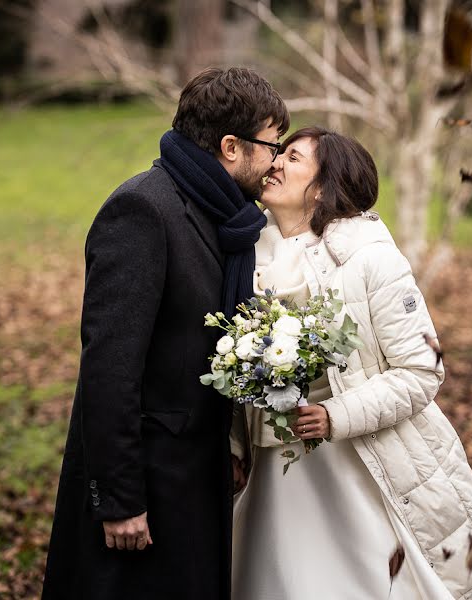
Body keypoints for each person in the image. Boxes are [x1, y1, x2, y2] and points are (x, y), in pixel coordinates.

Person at [230, 127, 472, 600]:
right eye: (278, 154)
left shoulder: (371, 259)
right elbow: (236, 368)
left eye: (293, 158)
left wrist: (334, 416)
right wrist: (235, 444)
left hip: (361, 464)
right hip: (273, 469)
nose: (275, 163)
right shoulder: (244, 256)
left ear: (323, 187)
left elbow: (422, 370)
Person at [42, 67, 289, 600]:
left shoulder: (224, 219)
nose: (275, 160)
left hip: (196, 474)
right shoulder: (142, 211)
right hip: (146, 485)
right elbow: (109, 368)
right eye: (273, 145)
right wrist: (120, 499)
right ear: (230, 146)